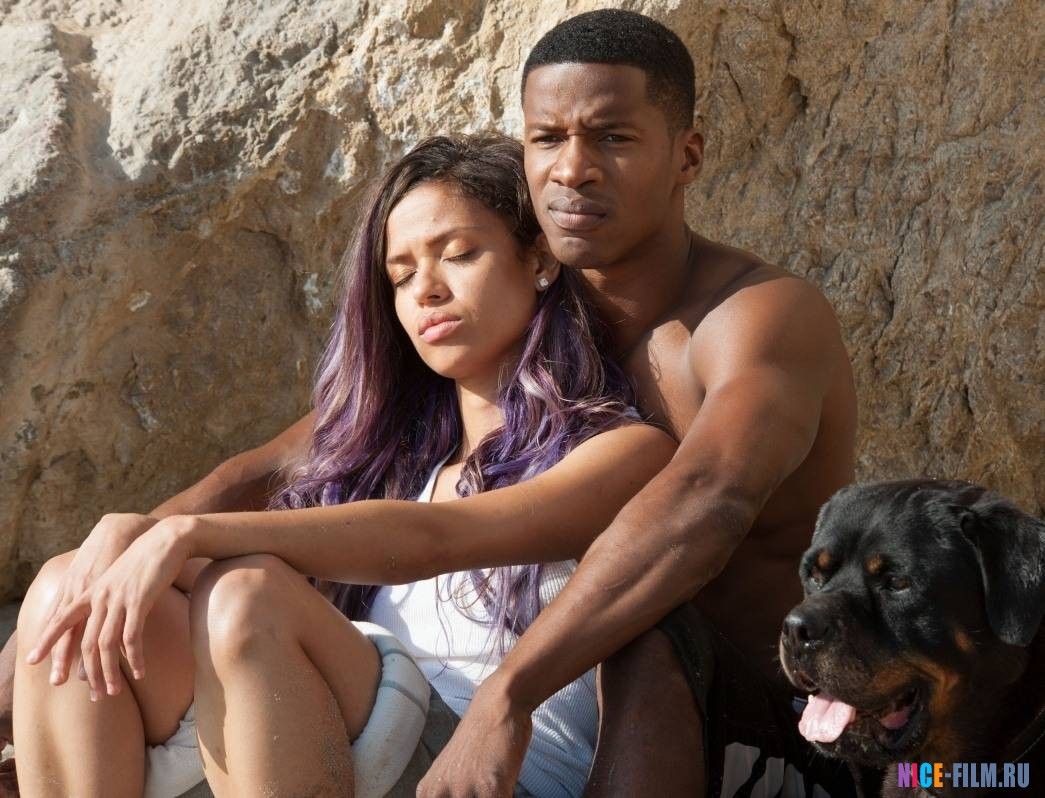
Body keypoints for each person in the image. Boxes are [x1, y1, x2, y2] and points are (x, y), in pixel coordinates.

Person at [3, 8, 860, 797]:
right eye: (546, 139)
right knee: (66, 589)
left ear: (687, 155)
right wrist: (118, 553)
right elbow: (268, 468)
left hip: (747, 718)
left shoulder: (745, 321)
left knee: (252, 592)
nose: (572, 168)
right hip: (416, 703)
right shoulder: (442, 398)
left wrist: (506, 698)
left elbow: (702, 504)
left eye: (612, 136)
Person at [13, 134, 675, 797]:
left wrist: (188, 536)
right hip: (348, 743)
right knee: (66, 589)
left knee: (247, 594)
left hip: (495, 773)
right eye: (402, 276)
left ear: (539, 259)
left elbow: (437, 539)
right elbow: (246, 486)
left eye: (458, 254)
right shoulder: (399, 457)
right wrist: (134, 538)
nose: (427, 290)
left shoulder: (623, 451)